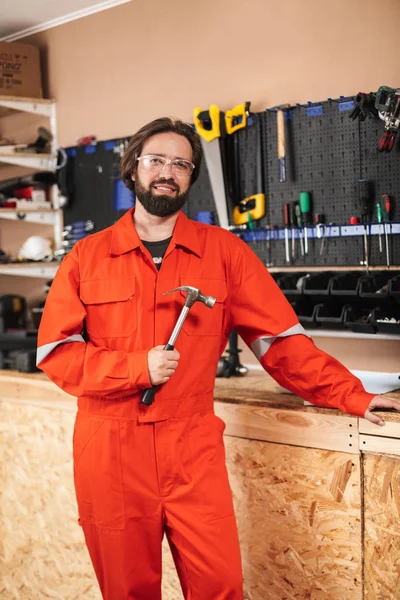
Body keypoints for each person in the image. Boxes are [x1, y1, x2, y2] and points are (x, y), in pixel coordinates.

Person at [37, 117, 400, 600]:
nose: (168, 171)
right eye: (157, 160)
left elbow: (281, 344)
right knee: (127, 592)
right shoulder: (86, 257)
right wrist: (135, 368)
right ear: (133, 169)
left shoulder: (224, 254)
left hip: (191, 449)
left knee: (220, 586)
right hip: (111, 452)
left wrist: (354, 395)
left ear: (190, 176)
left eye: (181, 163)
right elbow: (56, 354)